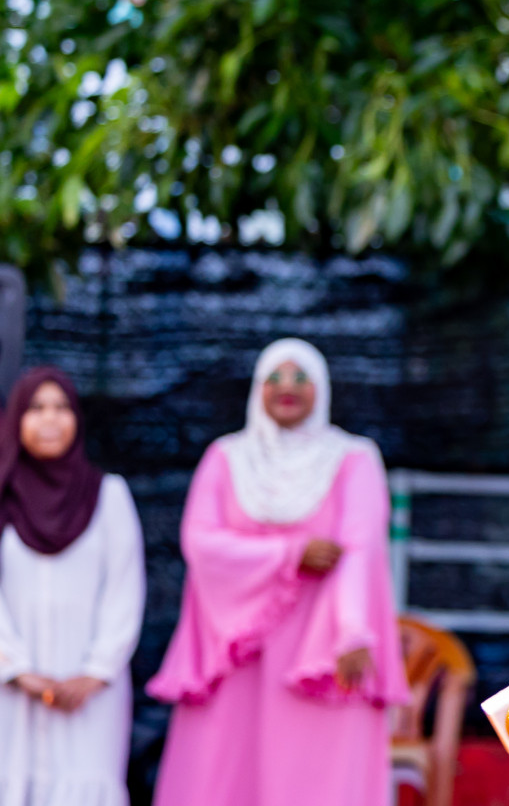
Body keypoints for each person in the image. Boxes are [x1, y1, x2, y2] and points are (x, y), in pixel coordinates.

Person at [148, 338, 407, 806]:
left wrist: (352, 634)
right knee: (221, 775)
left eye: (301, 377)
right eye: (275, 378)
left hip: (320, 649)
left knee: (317, 779)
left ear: (321, 388)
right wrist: (289, 555)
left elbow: (360, 548)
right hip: (237, 644)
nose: (288, 388)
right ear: (257, 389)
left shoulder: (352, 458)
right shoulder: (227, 457)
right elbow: (201, 541)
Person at [0, 367, 145, 806]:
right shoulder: (2, 494)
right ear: (15, 419)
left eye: (62, 408)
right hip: (11, 687)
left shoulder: (109, 496)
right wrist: (18, 668)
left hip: (90, 694)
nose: (50, 419)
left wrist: (96, 671)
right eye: (37, 408)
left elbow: (126, 588)